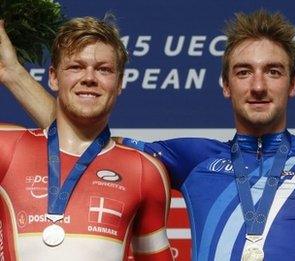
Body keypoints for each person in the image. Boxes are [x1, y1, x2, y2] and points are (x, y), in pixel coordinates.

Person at [0, 10, 295, 260]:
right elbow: (83, 139)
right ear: (225, 85)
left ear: (294, 83)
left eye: (273, 71)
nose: (258, 86)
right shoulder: (193, 158)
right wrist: (15, 74)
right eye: (243, 72)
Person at [0, 17, 173, 260]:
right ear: (53, 77)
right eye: (75, 67)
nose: (89, 77)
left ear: (120, 82)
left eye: (104, 69)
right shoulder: (8, 148)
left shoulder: (145, 171)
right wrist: (11, 72)